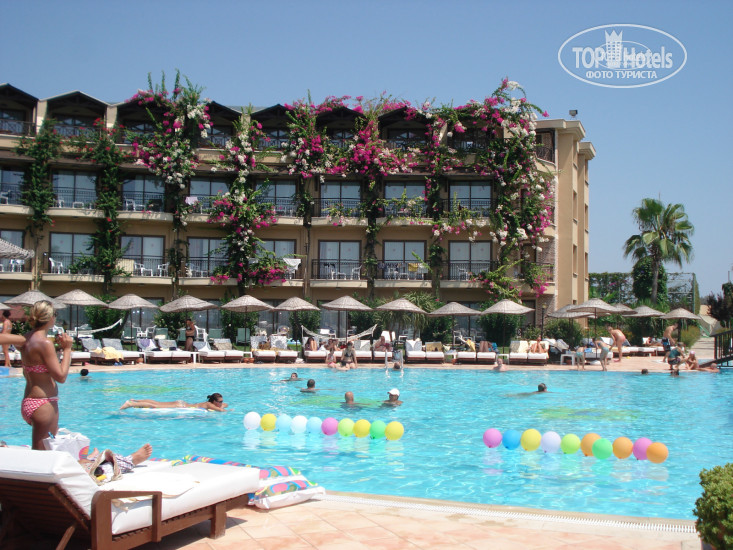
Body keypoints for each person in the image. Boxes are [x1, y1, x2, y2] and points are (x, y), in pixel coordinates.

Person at [12, 301, 74, 450]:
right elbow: (61, 377)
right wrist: (67, 349)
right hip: (43, 403)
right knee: (42, 454)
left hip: (30, 401)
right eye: (55, 314)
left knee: (44, 451)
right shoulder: (45, 343)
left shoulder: (25, 339)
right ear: (50, 317)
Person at [79, 443, 153, 483]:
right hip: (90, 474)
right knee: (112, 465)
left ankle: (91, 459)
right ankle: (131, 459)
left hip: (81, 469)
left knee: (82, 463)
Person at [120, 393, 227, 411]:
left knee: (157, 403)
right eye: (220, 401)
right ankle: (131, 404)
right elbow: (221, 410)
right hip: (180, 406)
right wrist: (226, 409)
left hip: (181, 403)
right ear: (213, 401)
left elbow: (224, 405)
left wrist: (223, 405)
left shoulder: (209, 403)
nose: (221, 403)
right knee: (156, 406)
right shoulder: (209, 404)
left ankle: (136, 400)